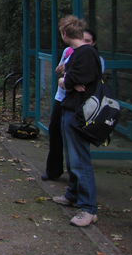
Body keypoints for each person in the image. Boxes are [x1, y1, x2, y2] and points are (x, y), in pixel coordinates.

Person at [53, 15, 102, 227]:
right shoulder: (80, 54)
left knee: (80, 159)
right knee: (72, 157)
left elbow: (71, 80)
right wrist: (69, 81)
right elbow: (70, 79)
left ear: (64, 34)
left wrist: (67, 80)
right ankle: (73, 194)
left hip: (79, 113)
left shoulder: (85, 54)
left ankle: (88, 208)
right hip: (71, 108)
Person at [42, 29, 103, 181]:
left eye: (88, 41)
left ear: (93, 43)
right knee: (55, 132)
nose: (84, 43)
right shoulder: (69, 52)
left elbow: (88, 81)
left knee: (76, 142)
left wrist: (69, 81)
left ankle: (79, 185)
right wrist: (65, 76)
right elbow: (61, 73)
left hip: (79, 104)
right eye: (82, 39)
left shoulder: (94, 58)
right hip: (62, 98)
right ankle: (53, 170)